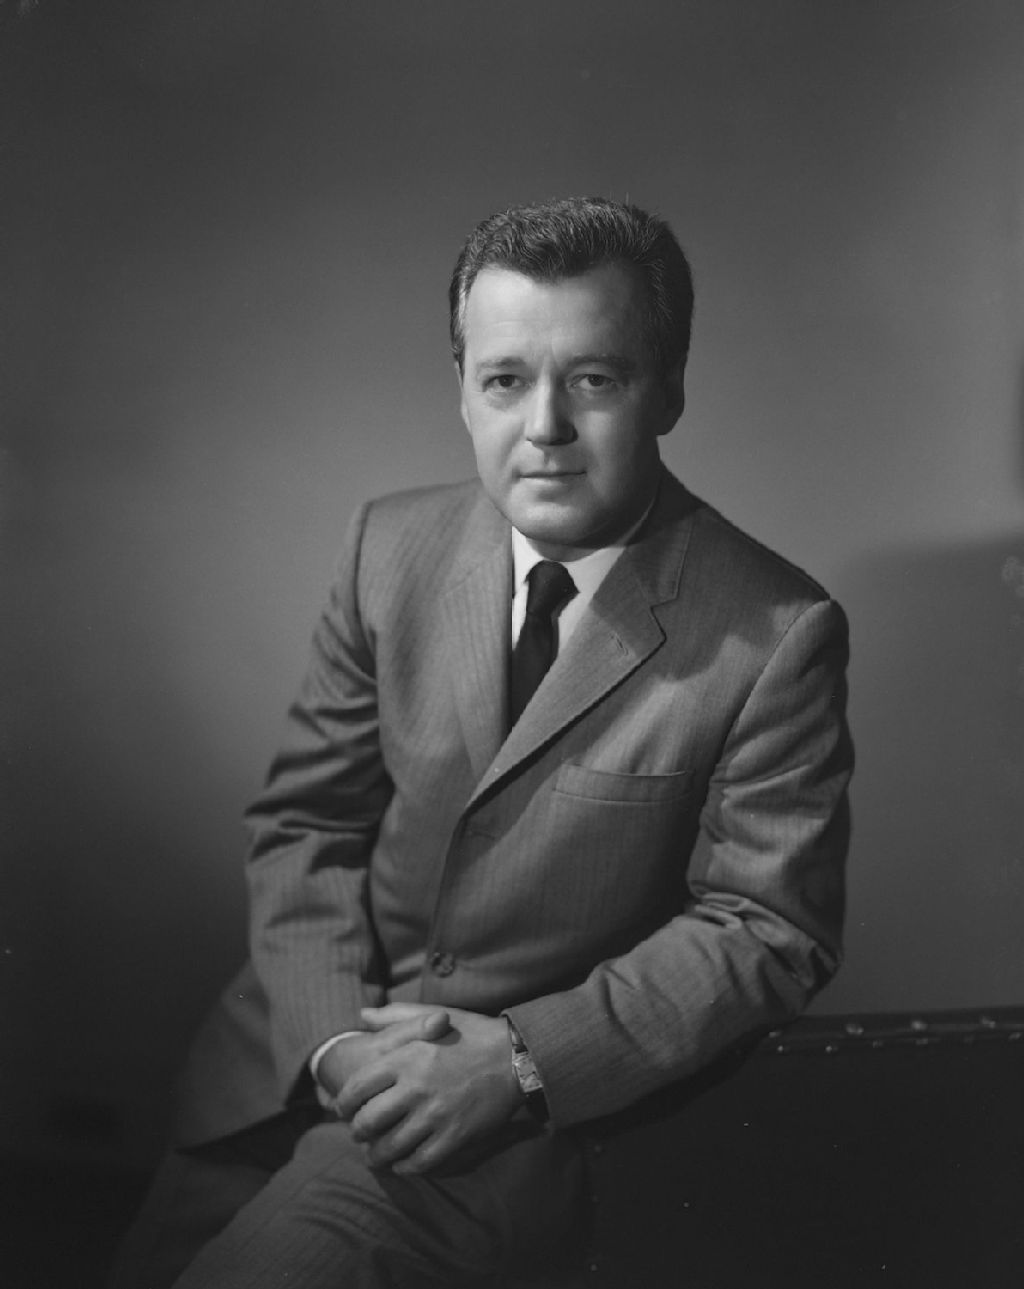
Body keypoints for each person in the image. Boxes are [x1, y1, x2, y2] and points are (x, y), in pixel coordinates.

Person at [109, 196, 853, 1289]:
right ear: (462, 388)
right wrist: (335, 1042)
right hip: (286, 1065)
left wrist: (517, 1062)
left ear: (669, 389)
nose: (544, 425)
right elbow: (307, 822)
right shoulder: (387, 545)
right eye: (505, 379)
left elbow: (770, 928)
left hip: (488, 1127)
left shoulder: (775, 628)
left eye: (593, 379)